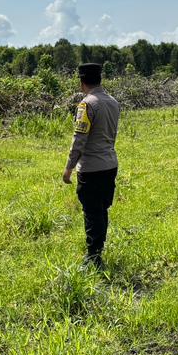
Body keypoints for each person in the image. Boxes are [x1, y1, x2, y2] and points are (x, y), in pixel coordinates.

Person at [62, 62, 120, 269]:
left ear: (81, 81)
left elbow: (79, 139)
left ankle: (93, 257)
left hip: (91, 167)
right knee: (102, 209)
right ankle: (98, 249)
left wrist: (69, 167)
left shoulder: (86, 105)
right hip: (110, 164)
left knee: (92, 212)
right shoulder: (113, 102)